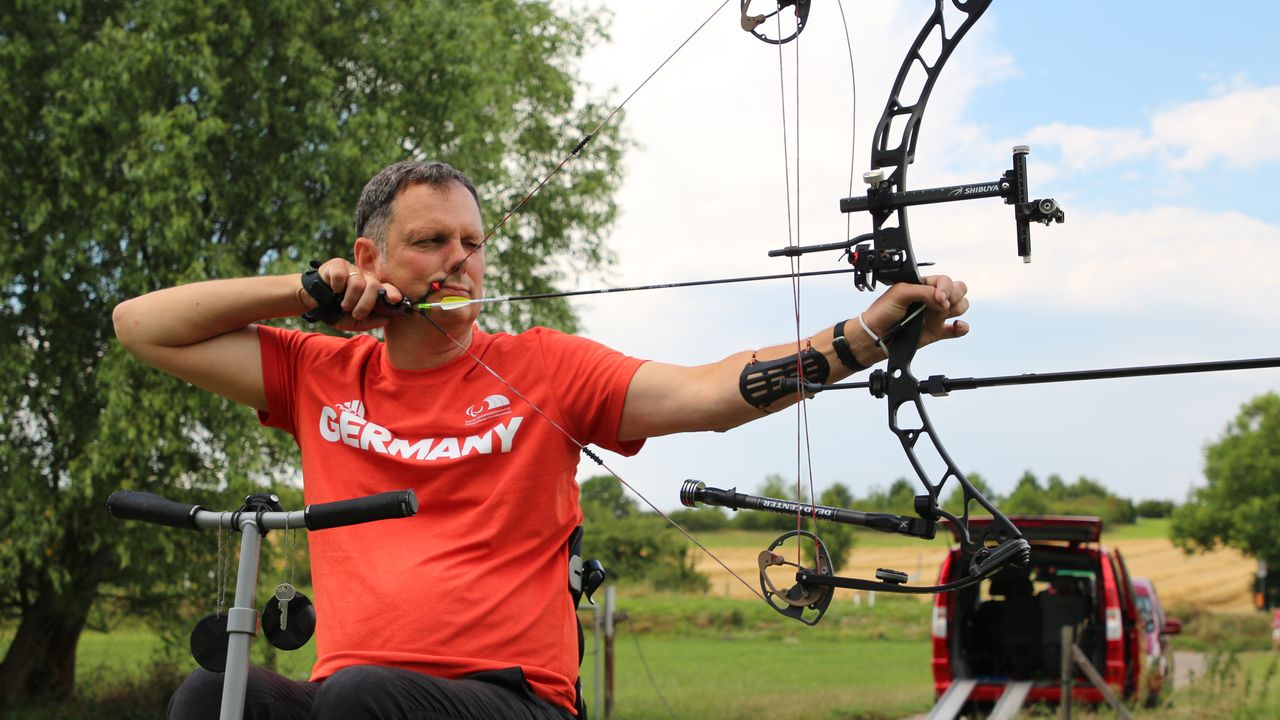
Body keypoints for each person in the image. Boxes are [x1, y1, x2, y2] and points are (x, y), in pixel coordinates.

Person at [112, 160, 971, 719]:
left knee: (356, 702)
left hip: (511, 701)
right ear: (370, 257)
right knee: (208, 696)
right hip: (359, 698)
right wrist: (305, 290)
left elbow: (709, 393)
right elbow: (142, 326)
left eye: (472, 244)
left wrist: (862, 337)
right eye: (430, 242)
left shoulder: (544, 368)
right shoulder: (320, 373)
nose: (459, 262)